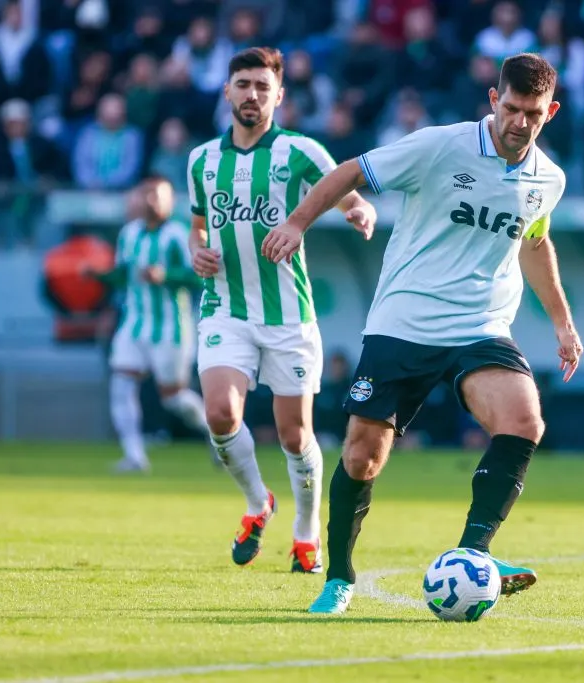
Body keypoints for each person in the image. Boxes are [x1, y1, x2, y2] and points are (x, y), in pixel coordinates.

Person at [262, 53, 582, 615]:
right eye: (511, 109)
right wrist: (296, 222)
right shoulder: (441, 145)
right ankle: (338, 577)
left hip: (481, 325)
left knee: (524, 420)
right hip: (405, 321)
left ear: (549, 111)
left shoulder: (548, 179)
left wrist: (562, 320)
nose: (519, 123)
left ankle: (474, 555)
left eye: (532, 114)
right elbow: (352, 172)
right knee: (363, 455)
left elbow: (533, 242)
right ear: (493, 99)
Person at [187, 47, 377, 575]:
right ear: (227, 91)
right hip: (226, 308)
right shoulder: (201, 160)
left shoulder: (301, 152)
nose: (252, 95)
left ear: (279, 96)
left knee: (295, 435)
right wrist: (195, 250)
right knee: (221, 414)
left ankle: (305, 533)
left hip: (290, 317)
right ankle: (256, 503)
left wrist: (360, 210)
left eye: (262, 87)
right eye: (243, 84)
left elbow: (347, 193)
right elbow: (197, 226)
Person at [83, 175, 208, 472]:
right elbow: (124, 275)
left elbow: (199, 276)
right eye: (146, 194)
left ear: (170, 201)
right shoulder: (129, 234)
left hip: (171, 327)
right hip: (134, 323)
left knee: (174, 398)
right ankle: (135, 456)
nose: (151, 200)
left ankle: (216, 435)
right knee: (121, 385)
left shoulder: (179, 235)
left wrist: (166, 275)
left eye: (158, 195)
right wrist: (98, 275)